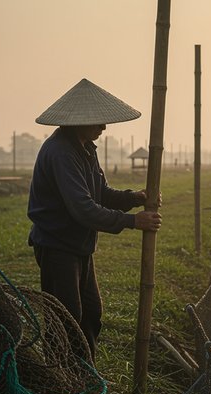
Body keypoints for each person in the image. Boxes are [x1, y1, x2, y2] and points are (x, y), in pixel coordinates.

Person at [27, 78, 162, 358]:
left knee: (91, 313)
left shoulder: (86, 148)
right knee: (66, 317)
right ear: (80, 120)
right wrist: (133, 221)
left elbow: (101, 193)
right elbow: (83, 208)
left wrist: (135, 198)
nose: (103, 127)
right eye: (98, 121)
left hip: (79, 246)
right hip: (57, 245)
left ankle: (84, 370)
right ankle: (59, 374)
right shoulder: (61, 152)